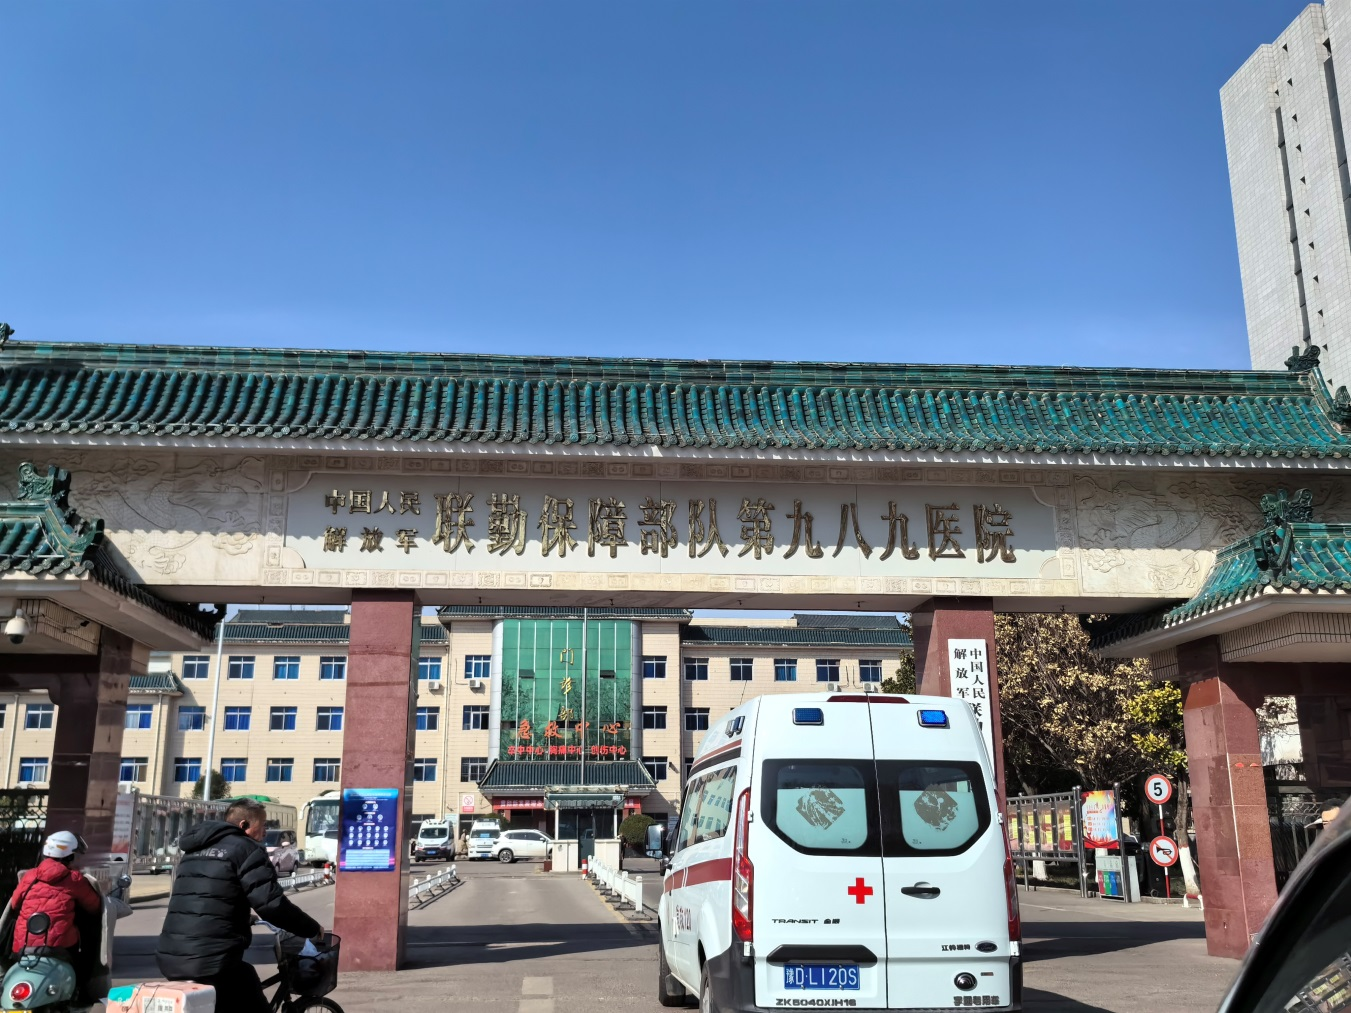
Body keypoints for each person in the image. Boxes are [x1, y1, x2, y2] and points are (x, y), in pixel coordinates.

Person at [156, 798, 323, 1013]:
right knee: (249, 990)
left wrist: (242, 916)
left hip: (170, 956)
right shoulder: (246, 849)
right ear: (244, 825)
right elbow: (272, 905)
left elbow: (208, 897)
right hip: (211, 960)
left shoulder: (195, 850)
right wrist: (310, 928)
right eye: (262, 825)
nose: (265, 832)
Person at [8, 830, 101, 955]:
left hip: (22, 946)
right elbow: (95, 907)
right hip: (60, 947)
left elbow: (14, 904)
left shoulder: (29, 876)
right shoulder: (74, 879)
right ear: (69, 857)